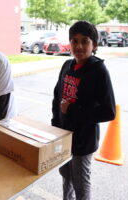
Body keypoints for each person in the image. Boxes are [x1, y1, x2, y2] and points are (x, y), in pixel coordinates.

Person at [51, 21, 116, 200]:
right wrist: (55, 126)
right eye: (74, 41)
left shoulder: (99, 71)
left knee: (80, 183)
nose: (79, 46)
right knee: (66, 176)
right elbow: (57, 98)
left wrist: (73, 110)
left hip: (83, 140)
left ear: (94, 45)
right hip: (63, 135)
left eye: (85, 41)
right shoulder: (67, 66)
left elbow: (109, 112)